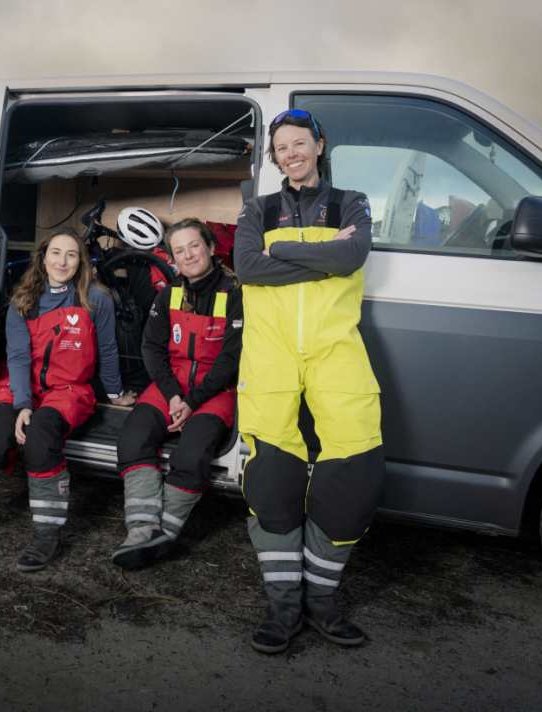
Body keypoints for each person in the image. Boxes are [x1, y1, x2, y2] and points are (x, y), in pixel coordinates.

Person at [234, 108, 384, 653]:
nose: (291, 153)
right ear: (274, 157)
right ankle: (284, 608)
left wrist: (284, 249)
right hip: (270, 356)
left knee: (357, 470)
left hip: (334, 350)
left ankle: (322, 601)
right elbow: (248, 268)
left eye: (300, 143)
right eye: (282, 148)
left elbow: (353, 253)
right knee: (271, 478)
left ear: (319, 145)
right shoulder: (258, 209)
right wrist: (325, 258)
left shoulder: (353, 202)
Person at [0, 228, 136, 572]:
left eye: (71, 254)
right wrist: (22, 405)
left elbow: (108, 350)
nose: (62, 261)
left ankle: (45, 536)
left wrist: (115, 393)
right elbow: (18, 357)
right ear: (43, 257)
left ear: (81, 262)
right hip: (20, 385)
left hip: (68, 391)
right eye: (56, 253)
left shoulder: (97, 299)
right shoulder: (24, 300)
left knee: (41, 439)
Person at [112, 218, 242, 568]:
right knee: (132, 440)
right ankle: (141, 530)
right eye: (179, 250)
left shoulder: (235, 295)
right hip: (171, 387)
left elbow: (231, 359)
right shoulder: (168, 294)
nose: (188, 255)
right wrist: (172, 395)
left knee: (191, 455)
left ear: (212, 248)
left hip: (215, 391)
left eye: (194, 246)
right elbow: (151, 348)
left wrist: (193, 401)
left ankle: (164, 535)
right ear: (172, 258)